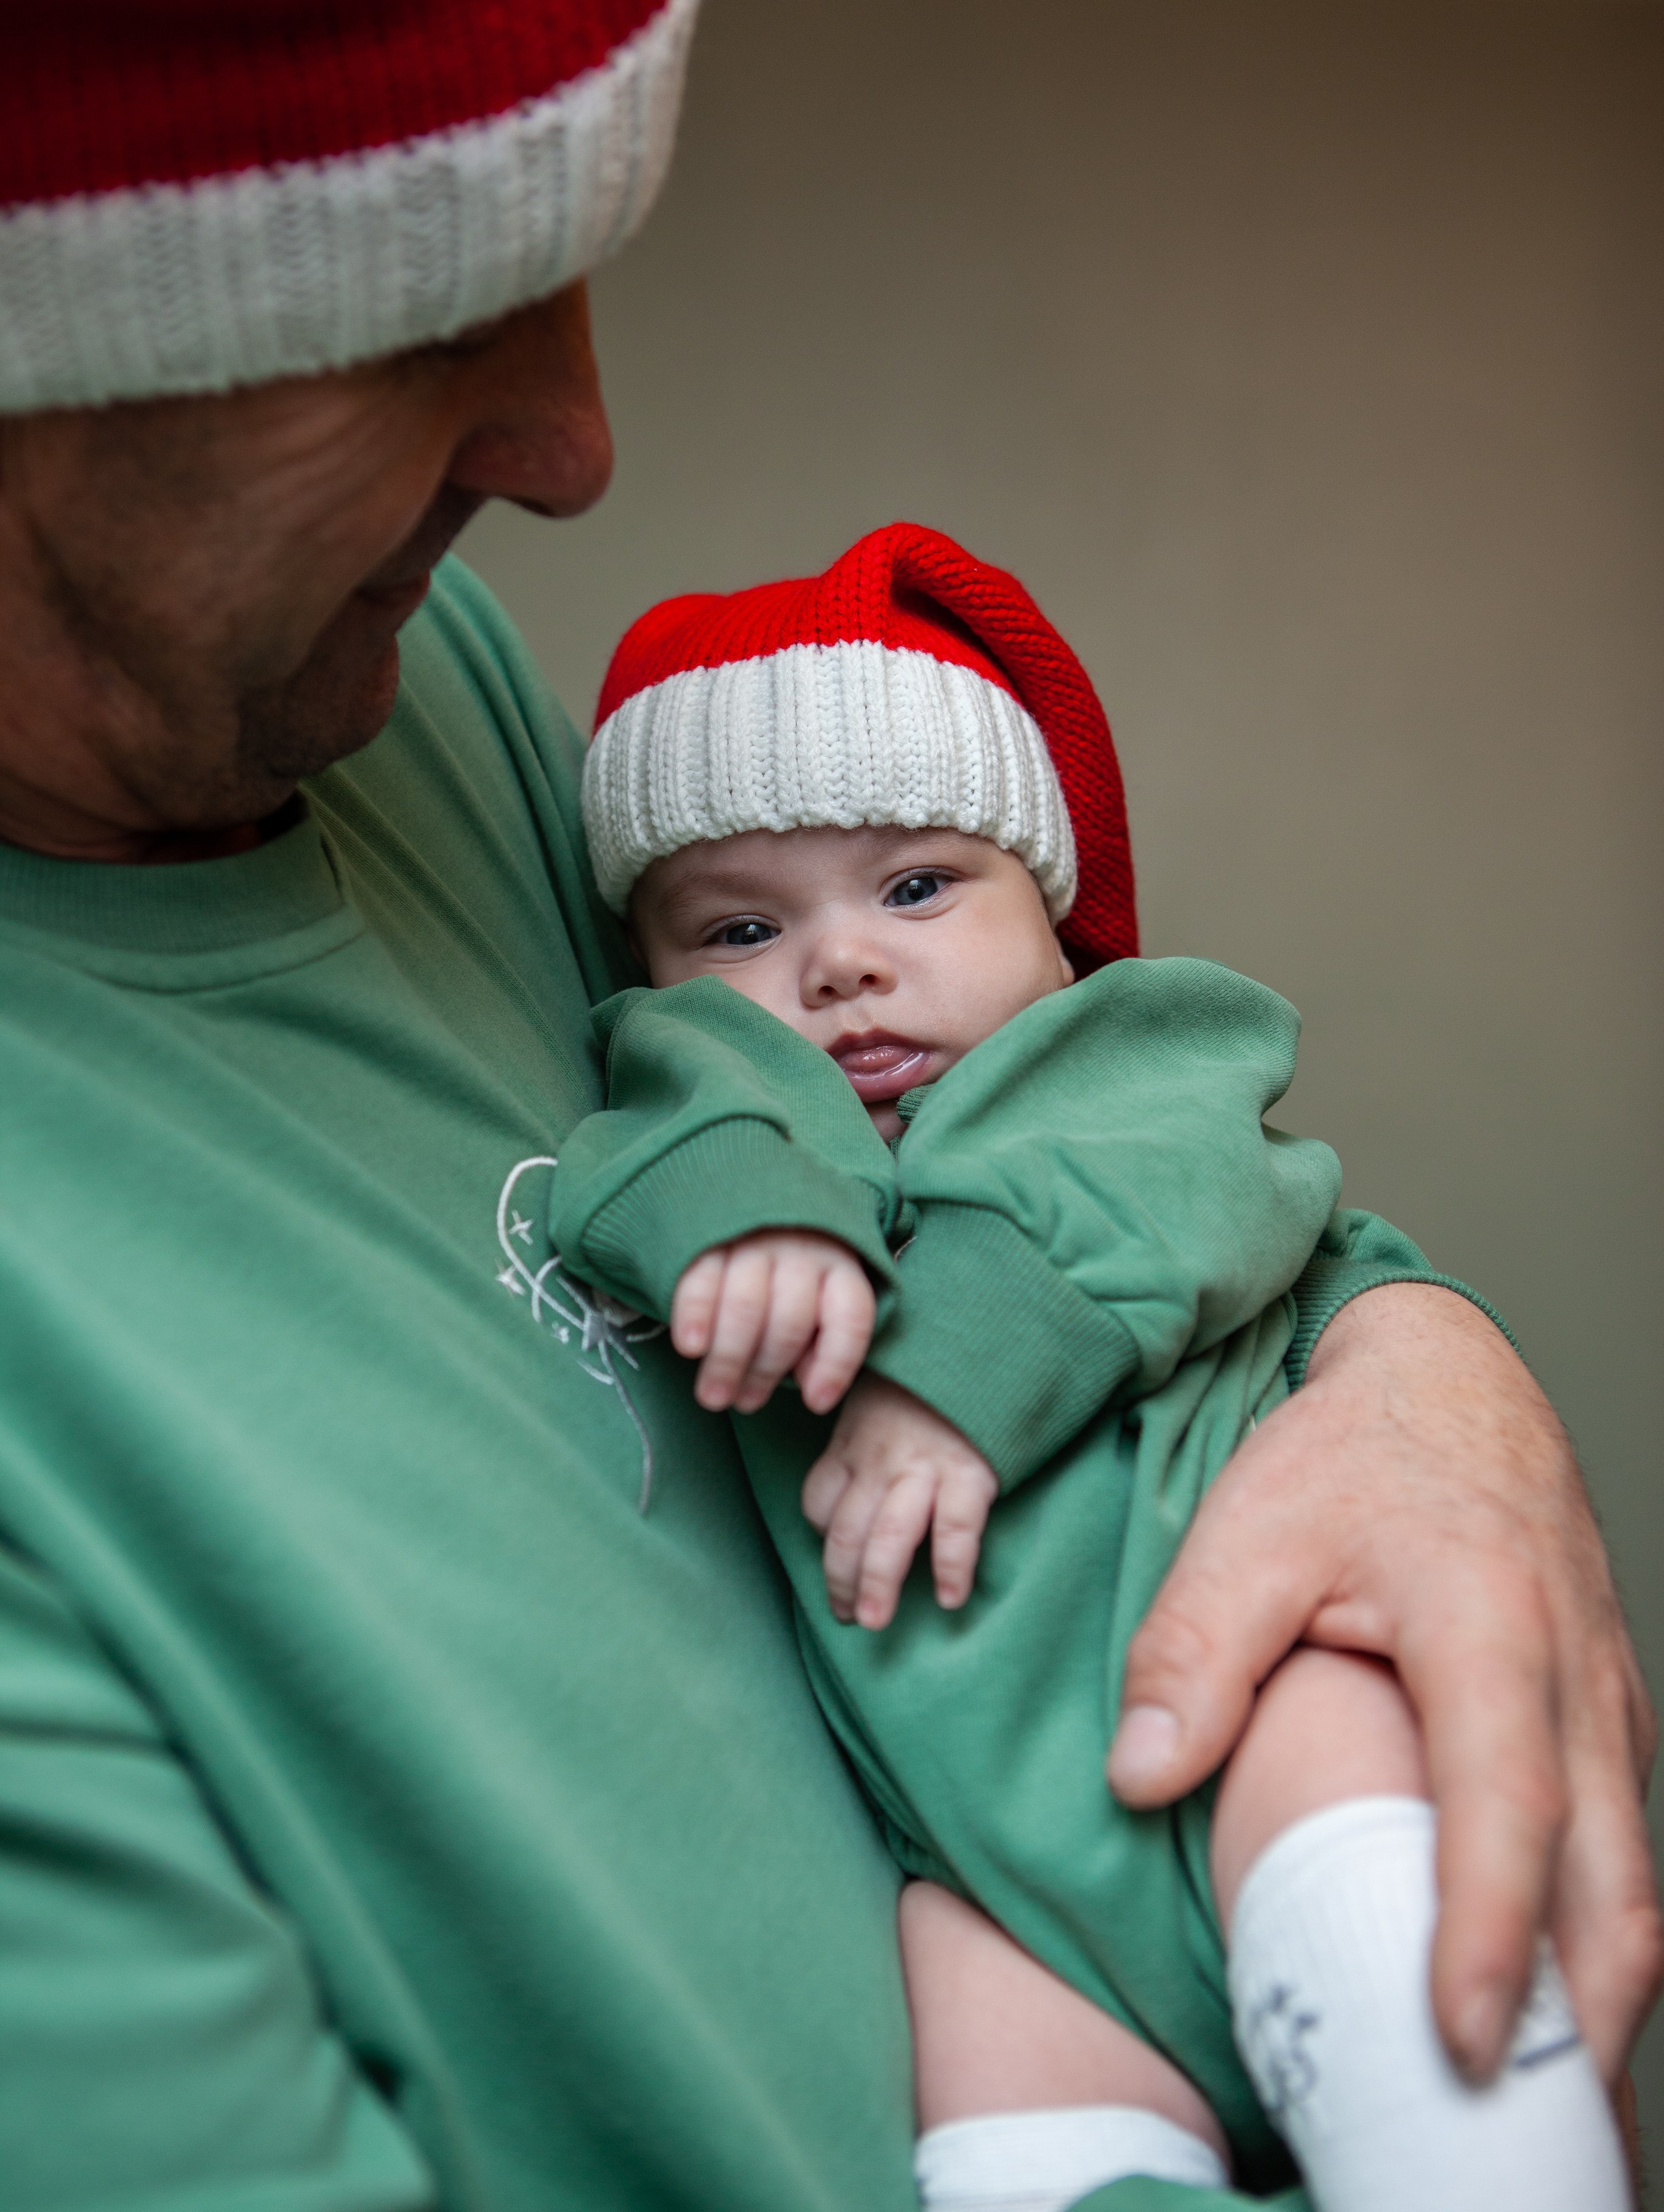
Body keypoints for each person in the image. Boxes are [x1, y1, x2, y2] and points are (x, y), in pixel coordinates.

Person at [0, 0, 1654, 2207]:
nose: (572, 443)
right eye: (422, 304)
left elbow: (1091, 1129)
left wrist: (1418, 1368)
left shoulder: (398, 695)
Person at [545, 524, 1632, 2210]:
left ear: (1050, 910)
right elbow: (632, 1153)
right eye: (740, 928)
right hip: (991, 1880)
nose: (836, 965)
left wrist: (945, 1370)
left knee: (1397, 1918)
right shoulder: (711, 1097)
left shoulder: (1122, 1053)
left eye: (917, 887)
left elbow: (1184, 1191)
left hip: (1250, 1693)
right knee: (1002, 2135)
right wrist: (747, 1218)